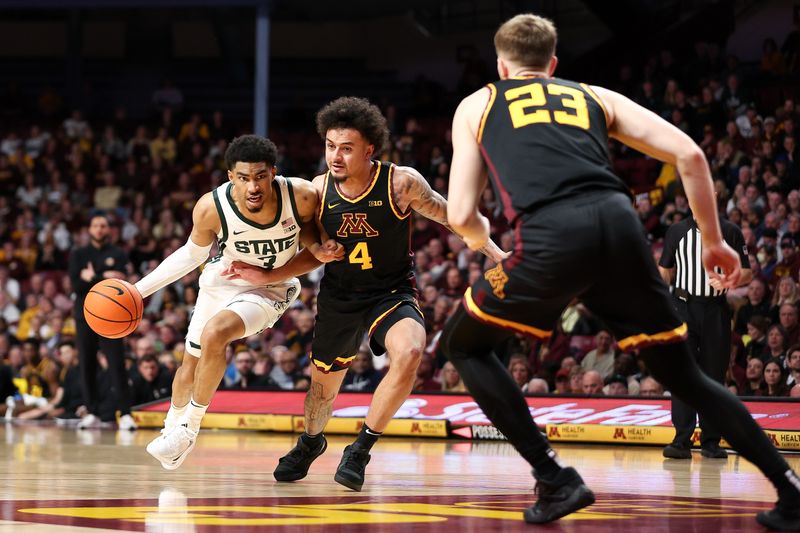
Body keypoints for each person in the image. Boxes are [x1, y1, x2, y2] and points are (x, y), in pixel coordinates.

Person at [439, 13, 800, 529]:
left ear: (500, 65)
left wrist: (484, 244)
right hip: (621, 225)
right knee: (687, 378)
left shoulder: (478, 103)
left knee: (463, 345)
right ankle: (790, 490)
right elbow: (691, 156)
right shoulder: (592, 94)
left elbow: (459, 215)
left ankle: (554, 477)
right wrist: (714, 242)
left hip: (551, 237)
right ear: (554, 64)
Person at [224, 96, 505, 492]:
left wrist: (497, 253)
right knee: (322, 389)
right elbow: (313, 256)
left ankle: (361, 448)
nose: (335, 156)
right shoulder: (316, 192)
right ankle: (311, 441)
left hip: (390, 291)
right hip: (340, 295)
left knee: (409, 351)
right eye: (330, 146)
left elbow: (454, 219)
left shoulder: (401, 183)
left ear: (369, 150)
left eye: (346, 148)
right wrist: (263, 273)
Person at [140, 135, 341, 470]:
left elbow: (314, 247)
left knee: (216, 333)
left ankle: (189, 428)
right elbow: (192, 255)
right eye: (244, 178)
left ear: (273, 173)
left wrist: (319, 250)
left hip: (272, 286)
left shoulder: (302, 195)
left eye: (261, 176)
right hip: (224, 279)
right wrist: (139, 290)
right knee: (189, 366)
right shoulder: (210, 207)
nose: (253, 187)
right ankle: (171, 432)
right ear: (231, 176)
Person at [658, 212, 752, 460]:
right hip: (681, 307)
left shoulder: (730, 231)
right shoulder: (676, 231)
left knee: (714, 375)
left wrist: (730, 279)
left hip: (715, 309)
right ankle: (681, 441)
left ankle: (711, 441)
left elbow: (747, 273)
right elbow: (665, 271)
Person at [68, 213, 137, 431]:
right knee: (86, 363)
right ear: (89, 229)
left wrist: (93, 277)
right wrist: (104, 276)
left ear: (109, 229)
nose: (99, 229)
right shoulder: (78, 254)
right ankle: (92, 412)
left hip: (113, 316)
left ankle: (125, 413)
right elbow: (76, 286)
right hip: (85, 314)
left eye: (103, 225)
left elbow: (122, 283)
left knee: (117, 362)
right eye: (96, 225)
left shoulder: (117, 253)